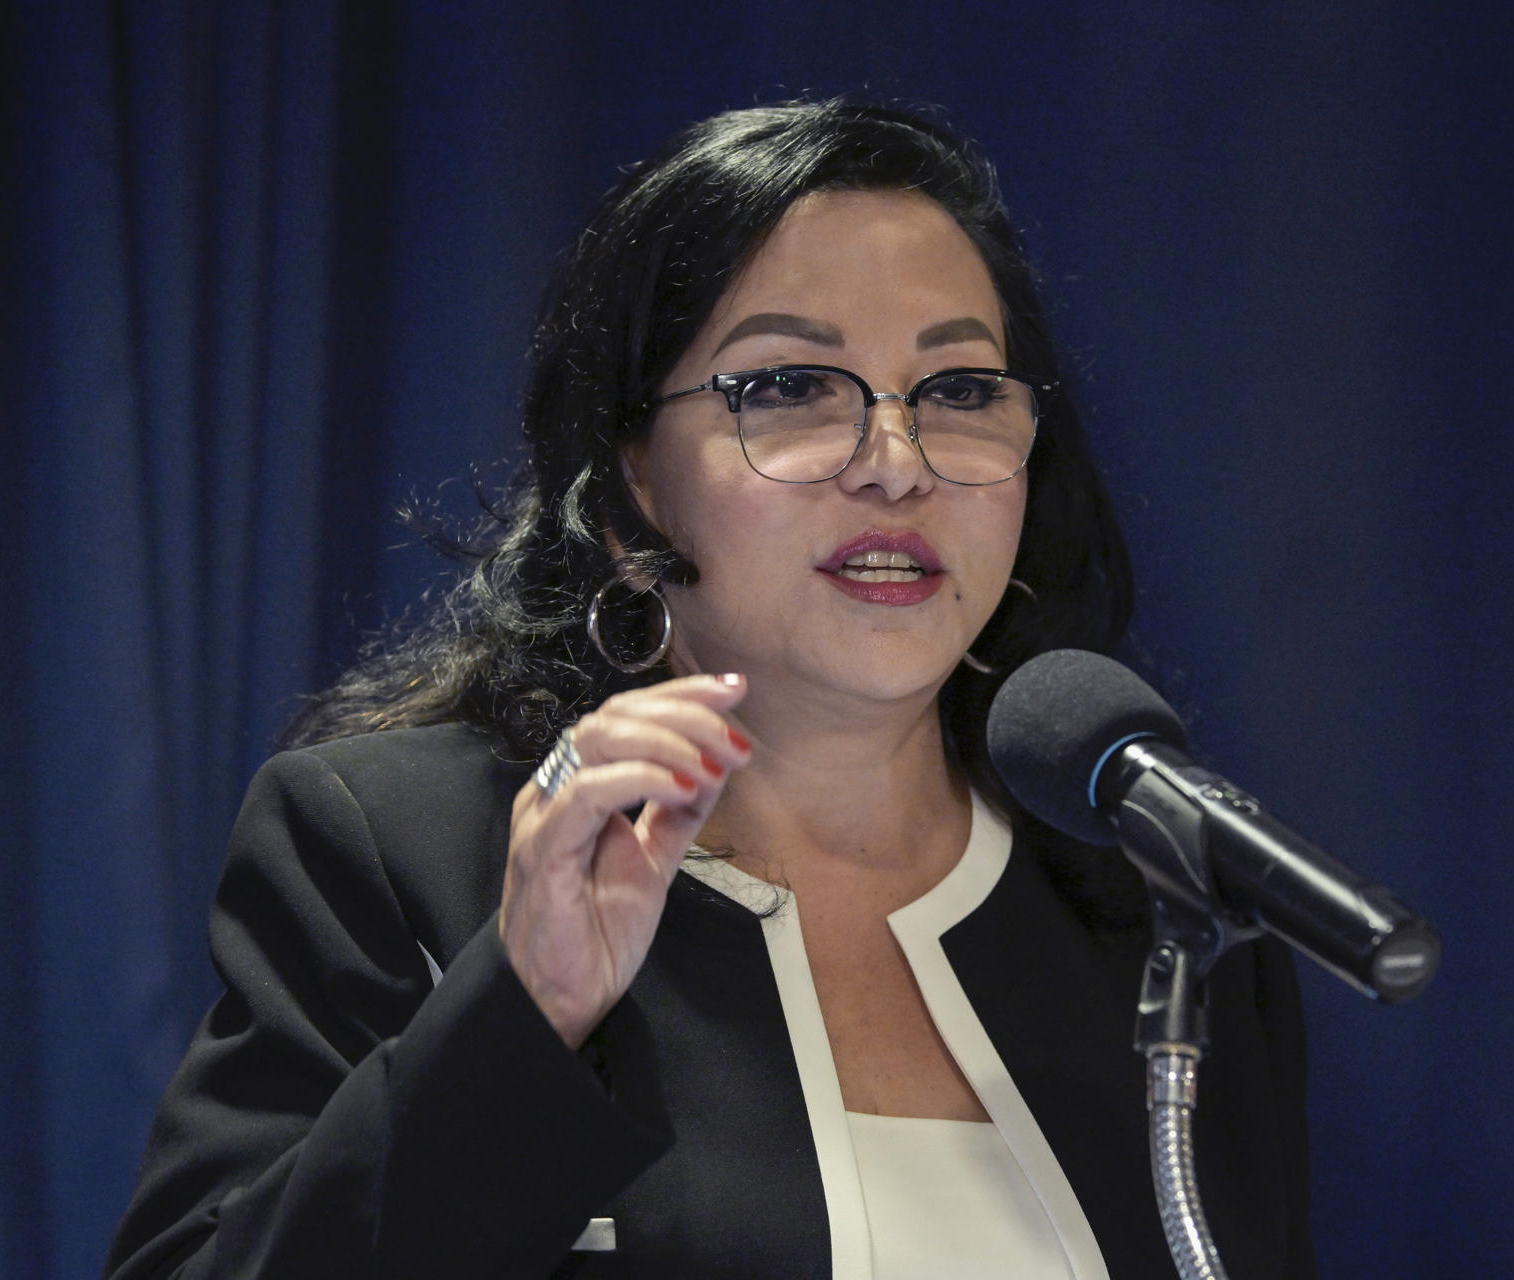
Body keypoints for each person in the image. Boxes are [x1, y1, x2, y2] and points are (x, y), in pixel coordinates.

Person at [106, 98, 1314, 1279]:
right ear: (633, 479)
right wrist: (520, 1014)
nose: (895, 465)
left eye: (956, 390)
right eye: (788, 386)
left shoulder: (1158, 912)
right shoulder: (400, 850)